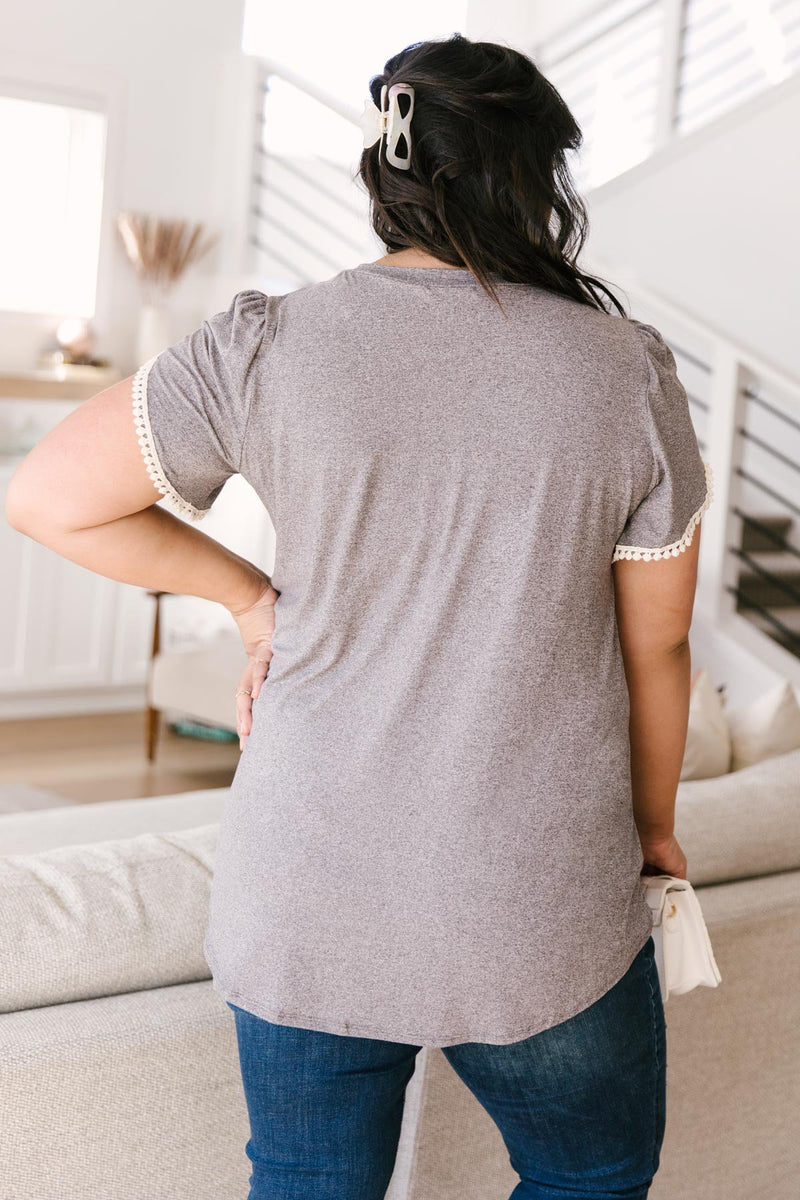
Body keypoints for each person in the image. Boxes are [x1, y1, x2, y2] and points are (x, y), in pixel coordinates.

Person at [6, 32, 713, 1200]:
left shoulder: (267, 344)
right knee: (589, 1177)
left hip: (304, 888)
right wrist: (652, 828)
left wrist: (246, 599)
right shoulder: (622, 371)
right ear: (535, 179)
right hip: (538, 894)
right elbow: (661, 643)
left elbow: (46, 499)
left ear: (385, 170)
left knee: (304, 1182)